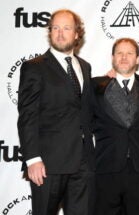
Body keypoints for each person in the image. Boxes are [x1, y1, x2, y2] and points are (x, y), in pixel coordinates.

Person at [17, 9, 95, 215]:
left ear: (77, 34)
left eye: (66, 28)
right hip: (48, 164)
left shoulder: (85, 67)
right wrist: (32, 159)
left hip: (83, 164)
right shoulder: (34, 67)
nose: (60, 33)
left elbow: (84, 108)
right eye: (55, 28)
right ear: (50, 32)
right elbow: (27, 115)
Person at [91, 38, 139, 215]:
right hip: (106, 169)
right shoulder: (95, 86)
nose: (124, 57)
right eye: (119, 53)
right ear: (113, 58)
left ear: (138, 59)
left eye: (129, 53)